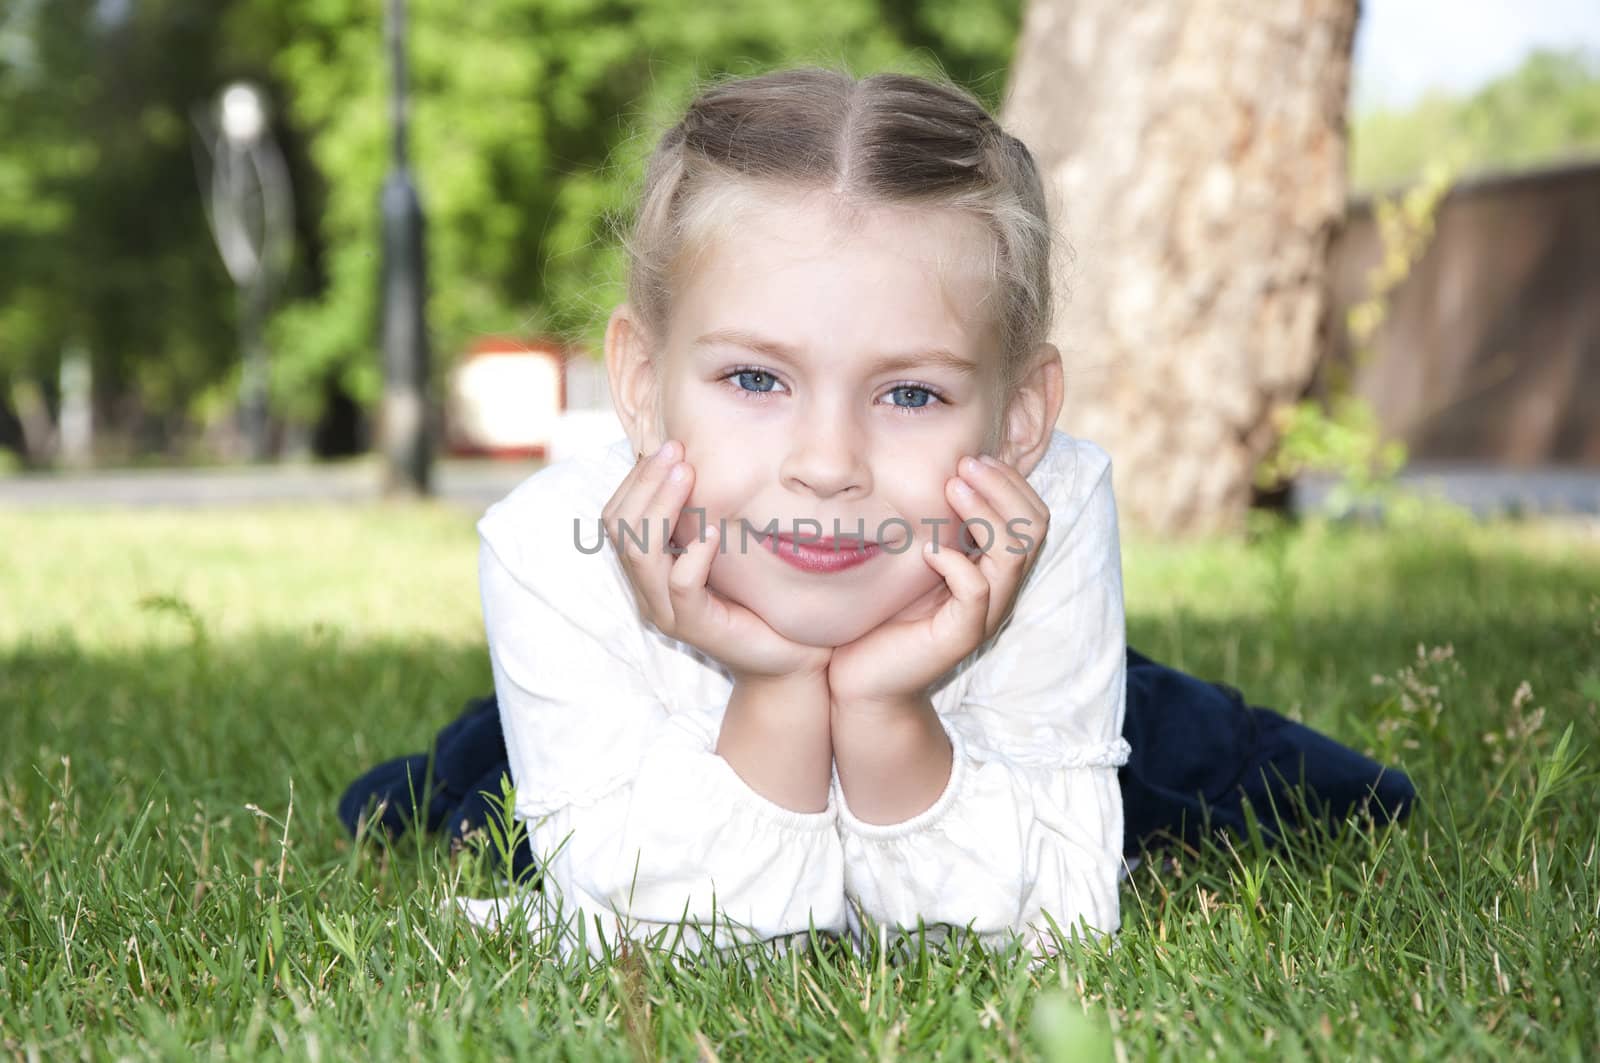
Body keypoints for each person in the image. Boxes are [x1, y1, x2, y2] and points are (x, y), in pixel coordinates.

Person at [339, 66, 1415, 966]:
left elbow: (1055, 924)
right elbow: (680, 934)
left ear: (1018, 416)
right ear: (639, 378)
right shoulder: (548, 547)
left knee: (1301, 792)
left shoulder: (1047, 510)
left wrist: (884, 707)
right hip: (657, 703)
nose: (825, 465)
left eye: (909, 395)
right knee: (465, 798)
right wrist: (768, 684)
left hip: (993, 704)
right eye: (757, 379)